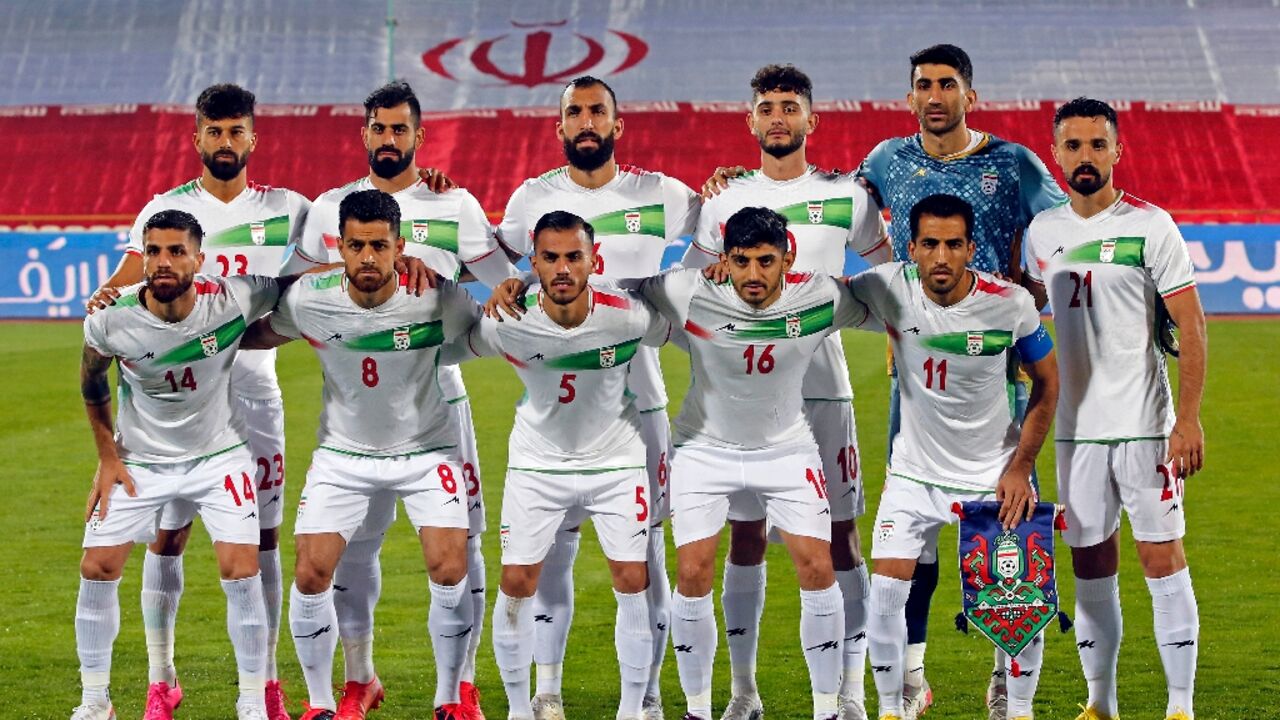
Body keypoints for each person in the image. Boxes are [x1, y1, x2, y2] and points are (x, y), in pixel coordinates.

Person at [86, 83, 314, 720]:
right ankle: (162, 678)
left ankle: (264, 684)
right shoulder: (165, 209)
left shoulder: (289, 209)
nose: (224, 142)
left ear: (252, 138)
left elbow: (332, 255)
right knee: (167, 537)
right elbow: (126, 284)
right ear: (197, 138)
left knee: (262, 542)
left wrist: (428, 188)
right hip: (173, 396)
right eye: (213, 132)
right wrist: (104, 300)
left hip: (253, 387)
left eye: (235, 131)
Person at [295, 80, 517, 720]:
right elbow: (300, 285)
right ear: (363, 134)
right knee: (352, 549)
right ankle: (359, 678)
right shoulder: (330, 207)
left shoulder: (458, 203)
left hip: (438, 395)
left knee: (461, 546)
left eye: (400, 129)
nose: (388, 139)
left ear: (419, 136)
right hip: (359, 397)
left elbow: (505, 293)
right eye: (378, 128)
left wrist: (433, 267)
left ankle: (462, 684)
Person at [681, 64, 890, 720]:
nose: (778, 117)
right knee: (743, 540)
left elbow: (888, 280)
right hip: (739, 400)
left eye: (790, 106)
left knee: (839, 541)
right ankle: (744, 691)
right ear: (750, 120)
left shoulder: (848, 197)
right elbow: (692, 290)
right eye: (766, 107)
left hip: (822, 392)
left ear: (811, 119)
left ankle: (848, 691)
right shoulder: (719, 201)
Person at [495, 74, 700, 720]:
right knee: (551, 549)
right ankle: (547, 689)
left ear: (618, 125)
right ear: (559, 127)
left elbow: (717, 230)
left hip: (640, 407)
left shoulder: (661, 194)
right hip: (559, 409)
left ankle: (646, 697)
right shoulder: (531, 200)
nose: (586, 122)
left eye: (597, 112)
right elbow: (502, 275)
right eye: (575, 112)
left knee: (647, 556)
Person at [241, 189, 483, 720]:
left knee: (449, 566)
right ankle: (322, 704)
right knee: (310, 572)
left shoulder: (438, 298)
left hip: (426, 452)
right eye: (356, 246)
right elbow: (259, 333)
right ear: (340, 247)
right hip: (343, 456)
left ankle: (449, 699)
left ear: (401, 246)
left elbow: (489, 335)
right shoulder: (310, 298)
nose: (368, 257)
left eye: (379, 245)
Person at [1023, 98, 1206, 720]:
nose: (1084, 157)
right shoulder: (1042, 234)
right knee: (1090, 565)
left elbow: (1192, 325)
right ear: (1056, 154)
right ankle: (1100, 703)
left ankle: (1179, 706)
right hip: (1074, 433)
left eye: (1097, 145)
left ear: (1116, 151)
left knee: (1161, 557)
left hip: (1144, 428)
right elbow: (1027, 322)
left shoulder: (1151, 226)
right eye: (1072, 146)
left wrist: (1187, 419)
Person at [447, 211, 671, 720]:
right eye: (550, 258)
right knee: (517, 583)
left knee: (632, 579)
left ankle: (633, 710)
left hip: (615, 462)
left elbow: (683, 326)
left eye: (574, 257)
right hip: (537, 464)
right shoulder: (508, 320)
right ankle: (519, 710)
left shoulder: (629, 316)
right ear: (533, 264)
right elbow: (453, 347)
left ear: (595, 261)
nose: (563, 268)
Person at [846, 194, 1058, 720]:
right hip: (913, 476)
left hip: (993, 476)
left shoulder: (1009, 303)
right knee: (886, 596)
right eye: (931, 244)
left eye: (954, 244)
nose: (942, 257)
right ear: (912, 248)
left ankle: (1018, 708)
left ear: (969, 249)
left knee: (1019, 600)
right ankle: (894, 708)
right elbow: (806, 293)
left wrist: (1021, 466)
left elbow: (1050, 383)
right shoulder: (885, 287)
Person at [75, 209, 292, 720]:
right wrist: (107, 456)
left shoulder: (233, 296)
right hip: (142, 460)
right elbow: (91, 379)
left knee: (242, 569)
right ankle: (95, 701)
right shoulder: (111, 318)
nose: (163, 262)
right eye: (153, 251)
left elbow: (292, 285)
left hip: (218, 457)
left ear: (199, 258)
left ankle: (251, 701)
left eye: (176, 252)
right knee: (97, 567)